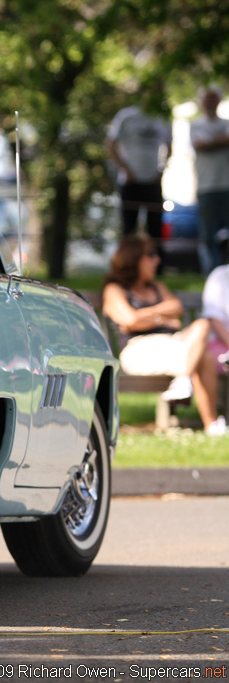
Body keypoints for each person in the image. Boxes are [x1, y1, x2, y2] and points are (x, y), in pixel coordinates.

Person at [103, 234, 226, 436]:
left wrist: (142, 317)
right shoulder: (115, 289)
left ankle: (183, 381)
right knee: (204, 356)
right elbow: (130, 320)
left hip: (174, 345)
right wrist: (162, 318)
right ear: (133, 258)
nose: (157, 260)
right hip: (139, 350)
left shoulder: (157, 287)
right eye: (151, 255)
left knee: (202, 325)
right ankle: (211, 423)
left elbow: (176, 308)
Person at [106, 99, 172, 251]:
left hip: (153, 182)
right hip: (130, 182)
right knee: (129, 229)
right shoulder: (126, 116)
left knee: (155, 228)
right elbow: (110, 143)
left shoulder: (162, 117)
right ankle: (127, 266)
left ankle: (157, 266)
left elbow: (169, 146)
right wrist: (125, 170)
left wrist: (160, 171)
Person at [190, 85, 229, 274]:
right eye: (207, 98)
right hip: (206, 186)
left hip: (226, 184)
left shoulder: (226, 122)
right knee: (207, 236)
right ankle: (211, 273)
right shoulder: (195, 124)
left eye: (214, 98)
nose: (210, 102)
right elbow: (200, 145)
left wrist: (210, 141)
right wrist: (219, 140)